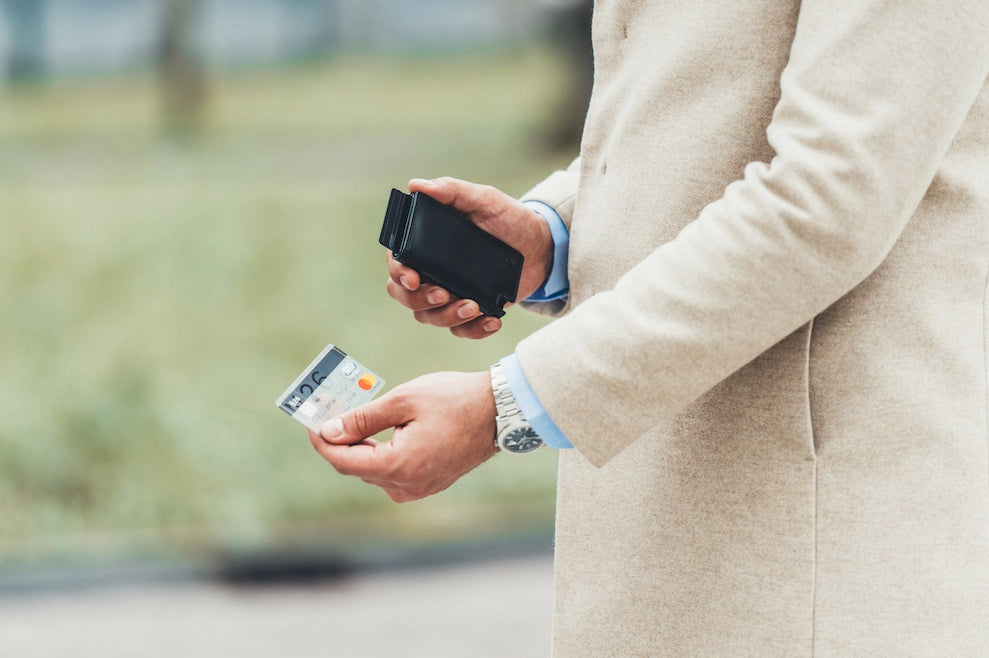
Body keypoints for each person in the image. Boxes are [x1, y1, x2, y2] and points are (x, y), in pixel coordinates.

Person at [307, 1, 989, 654]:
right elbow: (703, 103)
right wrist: (551, 236)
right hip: (676, 505)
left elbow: (826, 199)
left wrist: (508, 404)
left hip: (812, 544)